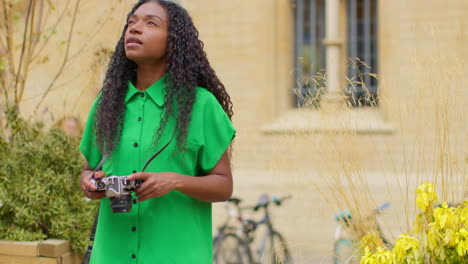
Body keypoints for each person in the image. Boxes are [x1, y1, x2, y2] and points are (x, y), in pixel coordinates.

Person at [79, 0, 235, 263]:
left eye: (151, 23)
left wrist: (174, 181)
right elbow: (89, 169)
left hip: (177, 255)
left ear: (173, 41)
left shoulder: (201, 105)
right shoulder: (107, 103)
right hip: (112, 255)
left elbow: (224, 186)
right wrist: (90, 183)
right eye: (131, 23)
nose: (135, 29)